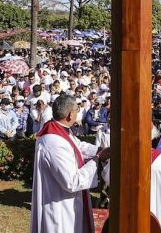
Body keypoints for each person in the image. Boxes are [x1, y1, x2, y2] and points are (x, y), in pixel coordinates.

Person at [31, 94, 110, 233]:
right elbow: (72, 181)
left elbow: (78, 146)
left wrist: (99, 150)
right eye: (76, 110)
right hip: (60, 204)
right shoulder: (53, 142)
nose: (78, 113)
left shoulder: (59, 130)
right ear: (69, 115)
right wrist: (97, 159)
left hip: (69, 200)